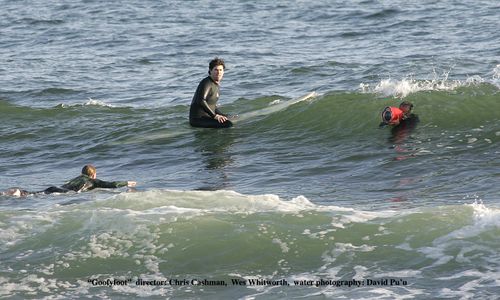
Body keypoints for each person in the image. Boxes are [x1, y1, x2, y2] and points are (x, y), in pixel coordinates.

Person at [1, 164, 136, 197]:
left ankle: (16, 192)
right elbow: (112, 185)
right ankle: (18, 193)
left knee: (32, 194)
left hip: (54, 187)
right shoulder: (93, 181)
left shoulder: (77, 178)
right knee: (33, 195)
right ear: (93, 175)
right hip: (61, 192)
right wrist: (127, 183)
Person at [189, 57, 233, 128]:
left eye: (220, 70)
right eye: (216, 70)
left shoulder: (215, 85)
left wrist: (222, 115)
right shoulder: (207, 82)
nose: (218, 72)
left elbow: (212, 106)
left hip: (207, 117)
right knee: (228, 124)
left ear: (223, 72)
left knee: (231, 117)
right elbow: (201, 100)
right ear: (210, 71)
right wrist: (215, 116)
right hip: (198, 120)